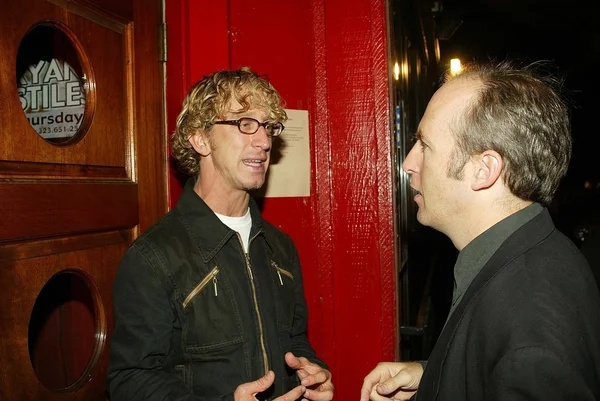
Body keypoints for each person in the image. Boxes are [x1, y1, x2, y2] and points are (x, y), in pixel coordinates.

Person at [361, 62, 600, 400]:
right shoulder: (535, 252)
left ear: (484, 169)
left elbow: (523, 356)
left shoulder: (531, 331)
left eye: (425, 146)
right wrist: (433, 374)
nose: (408, 163)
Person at [107, 68, 334, 401]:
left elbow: (295, 340)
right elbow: (130, 380)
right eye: (245, 123)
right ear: (200, 138)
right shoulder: (153, 257)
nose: (264, 141)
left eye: (268, 126)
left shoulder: (280, 248)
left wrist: (312, 372)